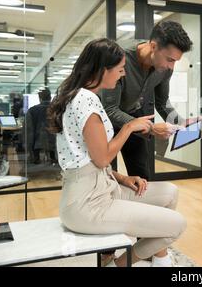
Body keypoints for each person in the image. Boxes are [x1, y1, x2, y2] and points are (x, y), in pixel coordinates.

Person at [48, 38, 186, 267]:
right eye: (120, 70)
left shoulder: (83, 96)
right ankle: (120, 265)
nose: (122, 75)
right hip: (88, 204)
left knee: (169, 193)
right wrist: (130, 126)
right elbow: (103, 158)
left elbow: (91, 160)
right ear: (104, 70)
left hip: (104, 187)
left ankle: (159, 258)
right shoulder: (85, 101)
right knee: (177, 224)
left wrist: (122, 177)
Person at [101, 20, 193, 179]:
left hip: (134, 117)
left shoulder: (164, 69)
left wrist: (180, 122)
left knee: (142, 177)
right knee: (106, 175)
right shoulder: (119, 58)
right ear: (153, 46)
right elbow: (109, 109)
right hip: (104, 121)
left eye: (175, 62)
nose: (171, 67)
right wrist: (151, 128)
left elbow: (162, 102)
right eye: (170, 60)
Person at [25, 87, 57, 164]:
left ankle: (36, 157)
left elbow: (28, 130)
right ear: (50, 97)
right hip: (54, 141)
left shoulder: (32, 110)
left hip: (37, 141)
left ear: (40, 98)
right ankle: (53, 157)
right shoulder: (56, 109)